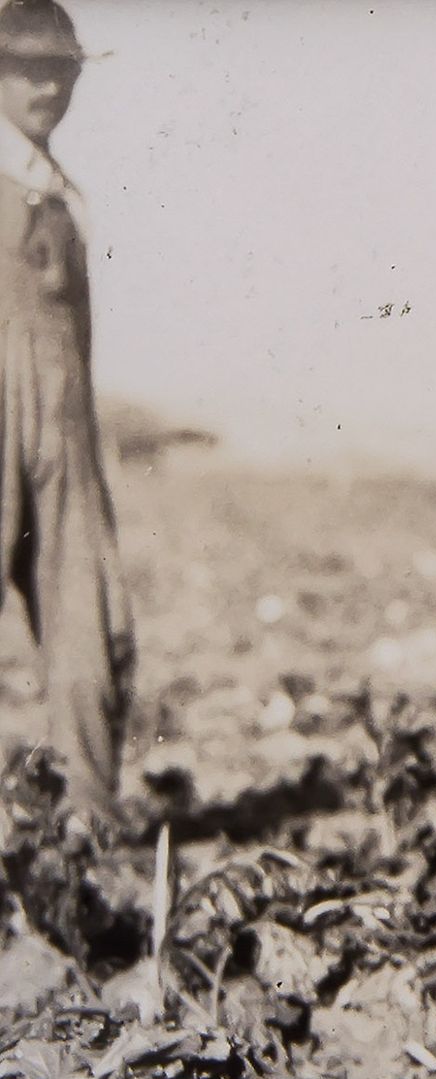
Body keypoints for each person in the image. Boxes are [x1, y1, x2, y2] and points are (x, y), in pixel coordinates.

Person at [0, 0, 131, 820]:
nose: (46, 84)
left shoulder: (70, 199)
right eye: (26, 66)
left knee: (94, 614)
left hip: (66, 420)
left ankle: (86, 826)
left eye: (62, 68)